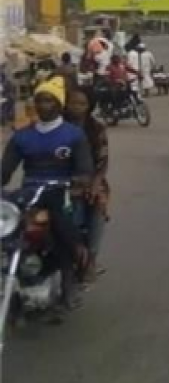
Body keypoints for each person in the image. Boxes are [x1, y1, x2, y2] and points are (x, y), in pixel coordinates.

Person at [1, 78, 94, 310]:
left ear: (59, 105)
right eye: (40, 100)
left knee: (62, 230)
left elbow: (84, 169)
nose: (43, 105)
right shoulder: (22, 136)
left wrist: (78, 181)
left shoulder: (73, 135)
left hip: (60, 191)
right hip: (30, 191)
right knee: (8, 227)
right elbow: (5, 171)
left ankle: (70, 279)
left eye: (49, 101)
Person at [64, 88, 110, 283]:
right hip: (59, 179)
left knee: (98, 203)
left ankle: (91, 258)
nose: (77, 107)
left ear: (89, 106)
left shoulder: (96, 128)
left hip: (89, 179)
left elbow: (103, 161)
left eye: (82, 104)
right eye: (73, 102)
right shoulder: (58, 125)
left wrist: (95, 183)